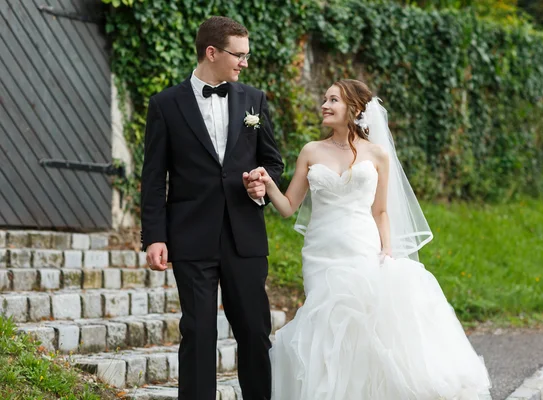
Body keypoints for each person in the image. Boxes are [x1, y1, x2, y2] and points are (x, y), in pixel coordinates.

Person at [249, 79, 491, 399]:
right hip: (321, 253)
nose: (324, 104)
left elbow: (380, 211)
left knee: (362, 331)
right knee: (324, 331)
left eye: (333, 100)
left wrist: (386, 250)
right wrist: (267, 184)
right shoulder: (310, 151)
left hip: (360, 247)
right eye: (325, 98)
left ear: (354, 108)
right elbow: (287, 206)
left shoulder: (377, 155)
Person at [140, 16, 284, 400]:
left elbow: (274, 162)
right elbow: (154, 178)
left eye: (246, 55)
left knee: (254, 331)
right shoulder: (166, 104)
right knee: (199, 333)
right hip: (191, 236)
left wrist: (261, 181)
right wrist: (154, 236)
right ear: (211, 52)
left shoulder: (254, 100)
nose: (244, 63)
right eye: (239, 55)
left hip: (244, 236)